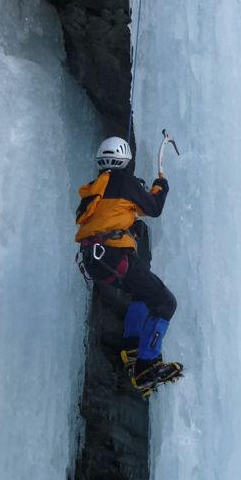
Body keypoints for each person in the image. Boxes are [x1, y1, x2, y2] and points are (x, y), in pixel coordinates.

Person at [75, 135, 180, 391]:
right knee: (165, 302)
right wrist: (161, 185)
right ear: (125, 161)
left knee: (143, 294)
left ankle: (132, 346)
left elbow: (114, 215)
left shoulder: (96, 188)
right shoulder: (124, 180)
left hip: (95, 261)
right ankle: (147, 365)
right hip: (112, 256)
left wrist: (132, 221)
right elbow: (153, 207)